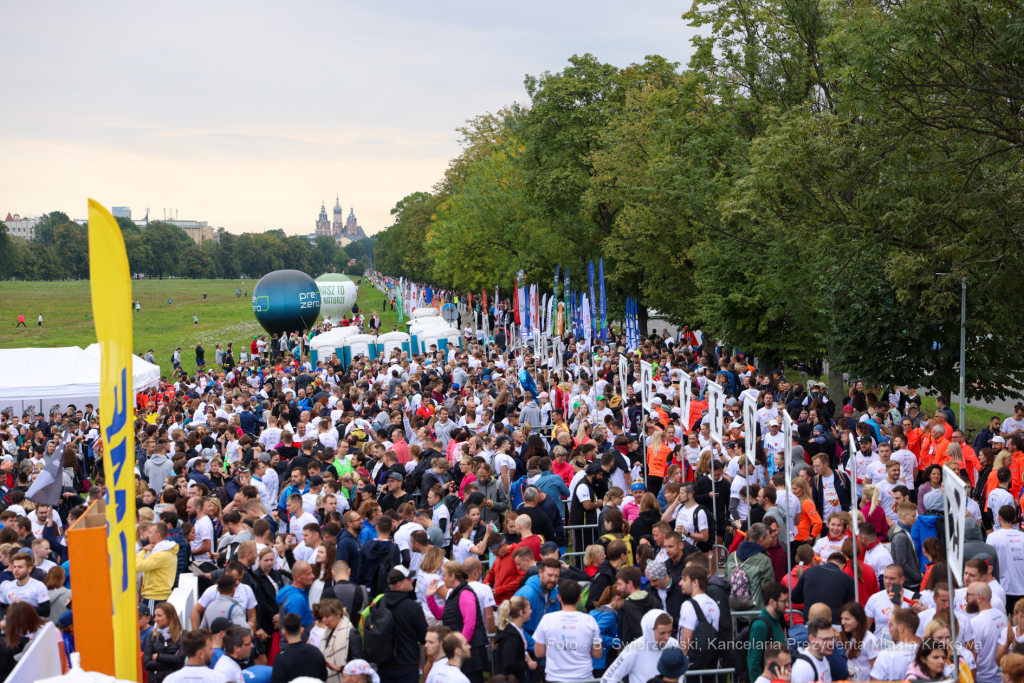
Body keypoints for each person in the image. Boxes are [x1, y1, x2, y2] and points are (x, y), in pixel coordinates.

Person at [532, 579, 602, 683]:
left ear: (559, 598)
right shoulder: (589, 620)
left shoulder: (547, 619)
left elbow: (538, 652)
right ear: (579, 598)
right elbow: (597, 653)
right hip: (584, 678)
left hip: (554, 678)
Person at [600, 609, 679, 683]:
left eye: (669, 632)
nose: (667, 637)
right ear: (649, 630)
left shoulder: (674, 644)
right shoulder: (634, 648)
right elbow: (607, 679)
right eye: (662, 633)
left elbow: (680, 672)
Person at [380, 565, 429, 683]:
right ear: (399, 585)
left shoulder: (379, 604)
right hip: (407, 665)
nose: (413, 580)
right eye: (408, 579)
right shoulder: (412, 607)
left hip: (384, 664)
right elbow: (424, 637)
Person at [791, 552, 857, 624]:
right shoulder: (848, 580)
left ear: (827, 561)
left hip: (811, 619)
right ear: (844, 566)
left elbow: (795, 597)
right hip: (834, 622)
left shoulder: (808, 572)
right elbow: (848, 607)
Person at [724, 522, 774, 610]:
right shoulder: (764, 560)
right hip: (755, 610)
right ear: (761, 539)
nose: (771, 538)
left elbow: (727, 580)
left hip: (735, 609)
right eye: (769, 536)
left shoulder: (732, 556)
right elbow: (768, 589)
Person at [747, 581, 789, 681]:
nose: (787, 604)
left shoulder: (776, 619)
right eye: (784, 601)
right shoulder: (761, 626)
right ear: (772, 602)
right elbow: (753, 661)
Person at [968, 581, 1008, 683]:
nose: (965, 598)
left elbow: (973, 657)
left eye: (968, 594)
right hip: (1001, 678)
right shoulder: (1001, 615)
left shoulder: (975, 622)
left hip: (983, 679)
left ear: (980, 598)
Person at [270, 612, 328, 683]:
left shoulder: (280, 658)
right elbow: (324, 677)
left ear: (283, 632)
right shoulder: (316, 652)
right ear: (302, 630)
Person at [988, 505, 1024, 609]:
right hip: (1021, 587)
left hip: (1003, 588)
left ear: (999, 517)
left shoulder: (992, 537)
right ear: (1014, 519)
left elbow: (990, 561)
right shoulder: (1023, 536)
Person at [316, 598, 361, 683]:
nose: (323, 620)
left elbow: (358, 665)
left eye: (327, 616)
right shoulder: (327, 632)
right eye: (323, 617)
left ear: (338, 614)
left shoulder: (351, 633)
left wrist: (339, 668)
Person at [493, 596, 536, 682]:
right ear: (521, 612)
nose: (531, 611)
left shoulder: (517, 629)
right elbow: (509, 663)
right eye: (529, 608)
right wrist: (527, 665)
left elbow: (520, 649)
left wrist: (527, 657)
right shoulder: (512, 637)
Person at [869, 608, 920, 681]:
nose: (890, 629)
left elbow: (876, 681)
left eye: (892, 625)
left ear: (901, 628)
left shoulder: (886, 654)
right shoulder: (929, 651)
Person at [616, 565, 661, 644]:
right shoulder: (653, 599)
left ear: (630, 583)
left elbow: (639, 631)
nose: (618, 588)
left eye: (620, 584)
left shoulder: (629, 604)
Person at [143, 601, 185, 683]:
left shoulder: (183, 635)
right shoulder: (152, 636)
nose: (155, 619)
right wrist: (172, 661)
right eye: (155, 615)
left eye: (159, 616)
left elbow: (180, 660)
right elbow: (147, 664)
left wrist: (157, 657)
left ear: (170, 617)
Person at [839, 602, 878, 682]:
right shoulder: (845, 636)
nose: (843, 622)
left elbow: (876, 671)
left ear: (859, 619)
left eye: (847, 619)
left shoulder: (870, 640)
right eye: (842, 618)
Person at [790, 616, 835, 683]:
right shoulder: (803, 668)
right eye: (825, 639)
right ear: (811, 639)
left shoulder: (823, 656)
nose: (831, 643)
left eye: (832, 639)